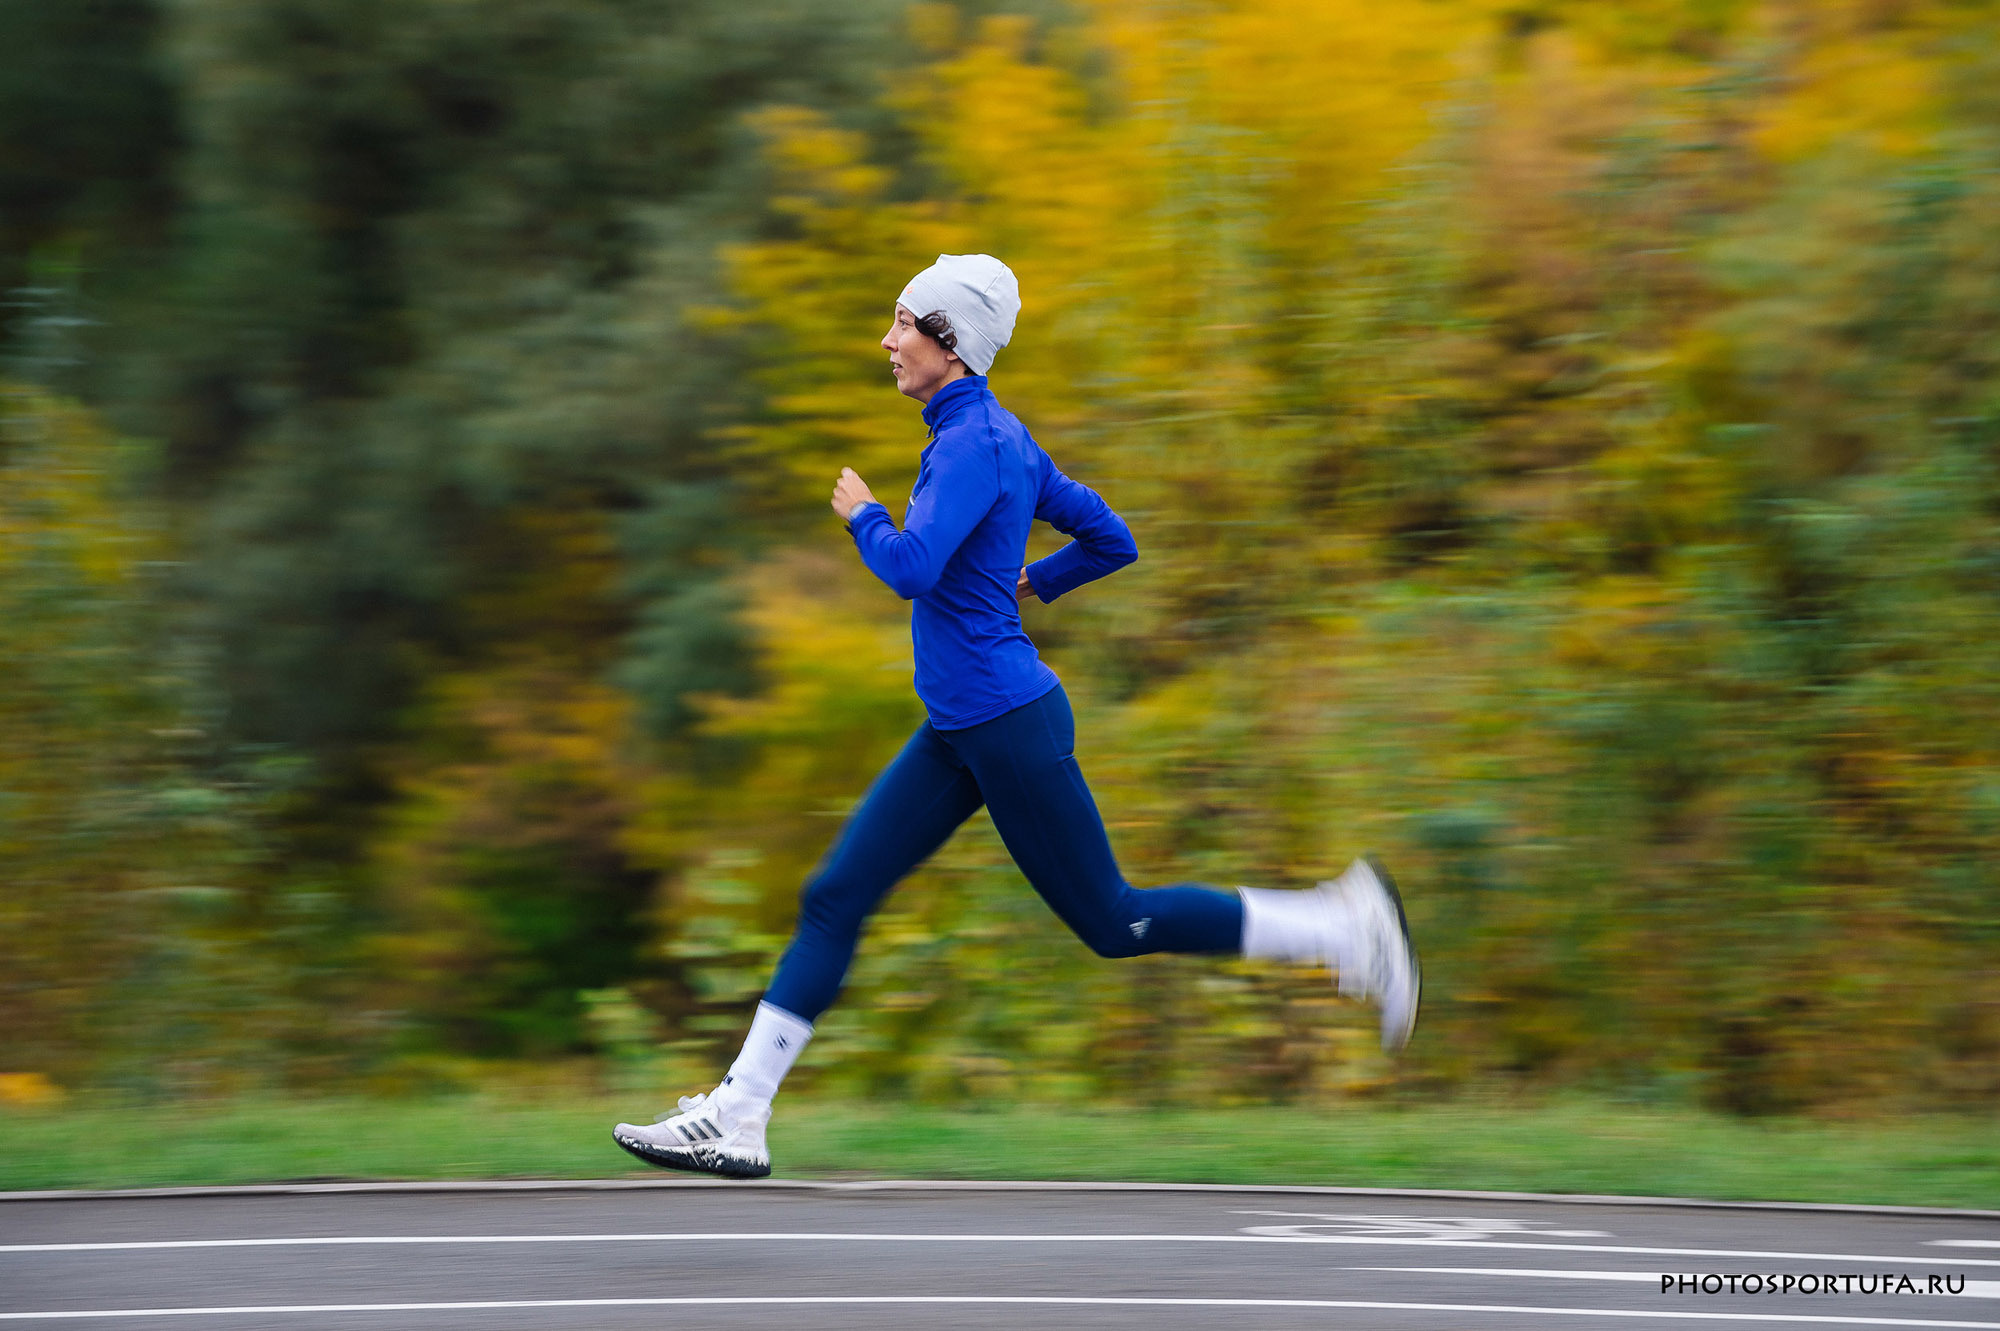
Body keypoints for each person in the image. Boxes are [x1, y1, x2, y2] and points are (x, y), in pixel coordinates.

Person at [613, 253, 1418, 1179]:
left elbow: (912, 567)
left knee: (1115, 922)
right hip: (962, 725)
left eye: (904, 323)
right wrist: (1034, 579)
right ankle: (740, 1113)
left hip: (1004, 723)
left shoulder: (971, 446)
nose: (887, 339)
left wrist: (864, 515)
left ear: (948, 344)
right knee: (835, 894)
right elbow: (1109, 538)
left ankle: (1344, 926)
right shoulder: (997, 435)